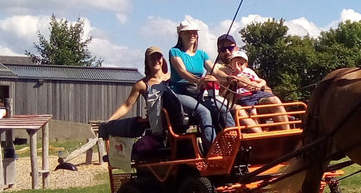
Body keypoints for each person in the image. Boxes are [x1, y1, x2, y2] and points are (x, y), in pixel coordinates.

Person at [168, 20, 233, 154]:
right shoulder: (175, 52)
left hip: (198, 93)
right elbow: (183, 72)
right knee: (204, 112)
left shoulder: (202, 54)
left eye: (194, 32)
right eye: (188, 32)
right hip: (180, 93)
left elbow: (215, 71)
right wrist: (201, 80)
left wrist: (229, 78)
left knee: (222, 108)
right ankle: (213, 150)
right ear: (181, 35)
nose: (192, 35)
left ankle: (232, 142)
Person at [98, 46, 170, 139]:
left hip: (174, 120)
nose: (156, 60)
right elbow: (127, 105)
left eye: (158, 57)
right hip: (156, 122)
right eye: (152, 58)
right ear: (147, 61)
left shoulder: (171, 78)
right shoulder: (142, 84)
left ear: (163, 59)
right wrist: (109, 122)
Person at [226, 48, 288, 131]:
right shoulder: (231, 75)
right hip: (244, 97)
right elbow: (235, 81)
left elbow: (262, 81)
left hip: (256, 94)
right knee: (253, 113)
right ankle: (260, 134)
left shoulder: (249, 71)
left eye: (241, 63)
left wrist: (258, 85)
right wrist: (237, 72)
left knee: (275, 99)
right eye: (236, 64)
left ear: (246, 64)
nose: (239, 66)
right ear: (231, 65)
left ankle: (286, 130)